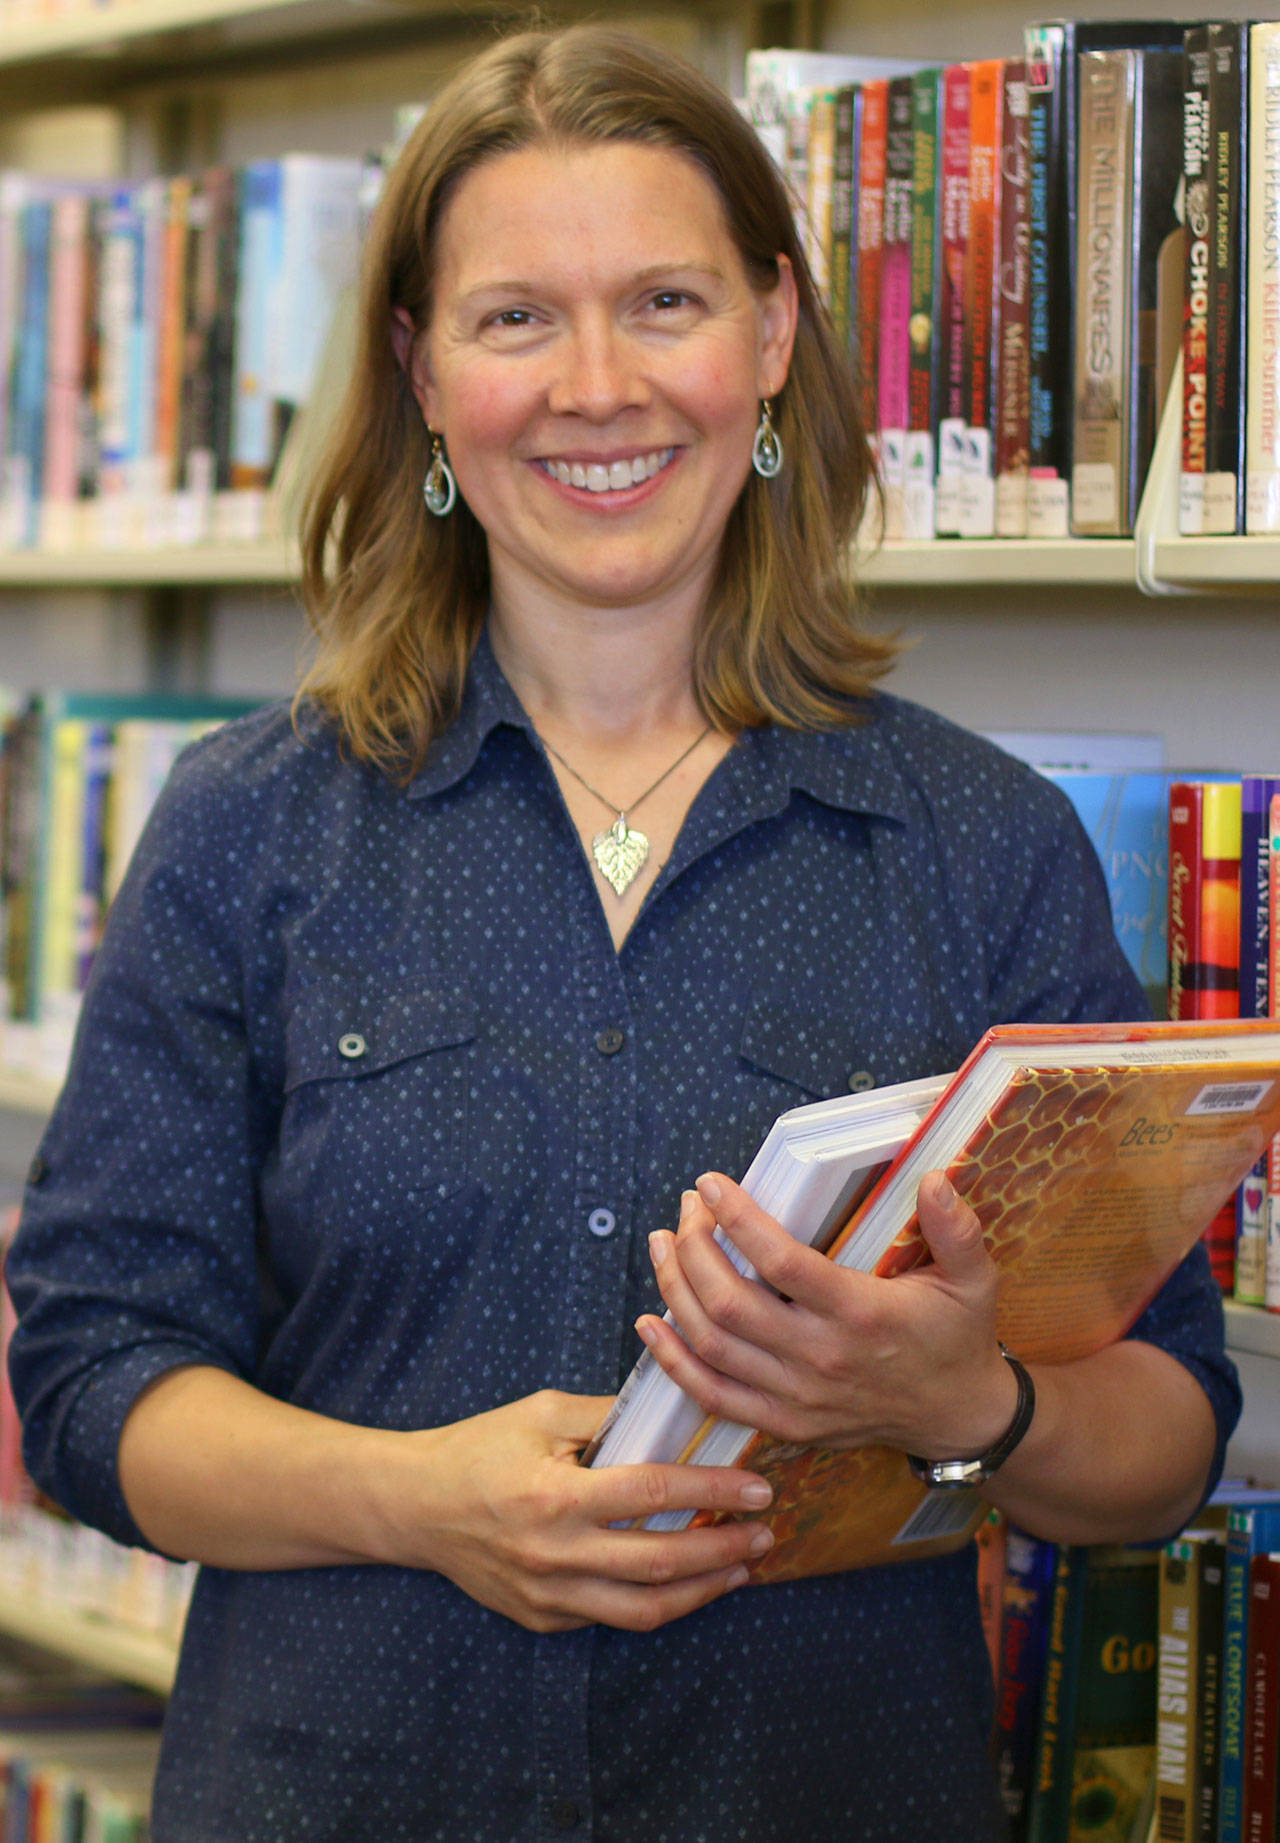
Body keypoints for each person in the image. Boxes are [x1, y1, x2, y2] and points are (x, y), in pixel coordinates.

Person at [5, 25, 1239, 1843]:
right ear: (424, 377)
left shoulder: (982, 846)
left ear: (772, 341)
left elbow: (1168, 1439)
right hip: (337, 1795)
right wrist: (420, 1500)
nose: (599, 385)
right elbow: (93, 1383)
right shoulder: (250, 827)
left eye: (665, 301)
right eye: (516, 320)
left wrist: (963, 1395)